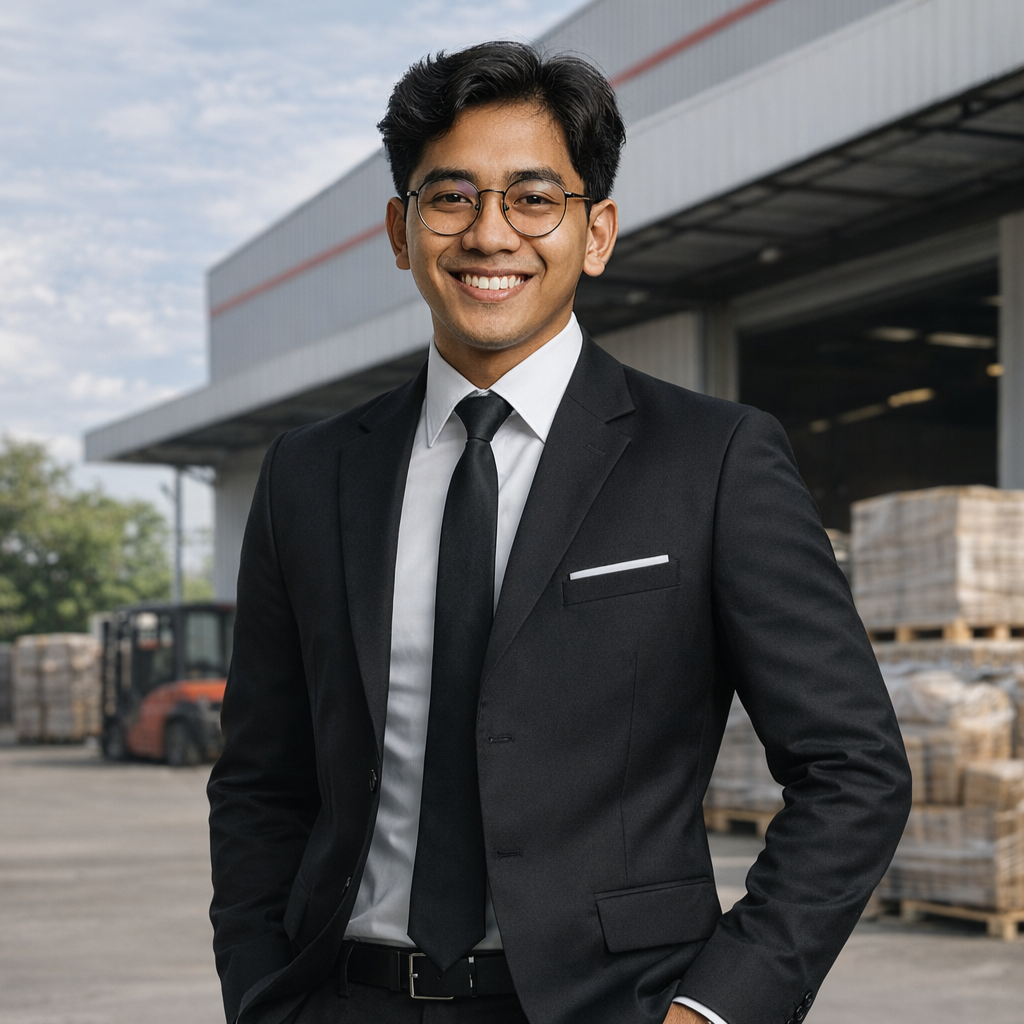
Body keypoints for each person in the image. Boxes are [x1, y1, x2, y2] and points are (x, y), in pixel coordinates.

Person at [208, 41, 912, 1024]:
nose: (489, 234)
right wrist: (258, 990)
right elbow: (259, 778)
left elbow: (853, 770)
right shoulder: (310, 472)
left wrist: (717, 1009)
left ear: (596, 231)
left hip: (616, 1004)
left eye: (533, 199)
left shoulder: (711, 460)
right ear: (400, 232)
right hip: (344, 998)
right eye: (449, 197)